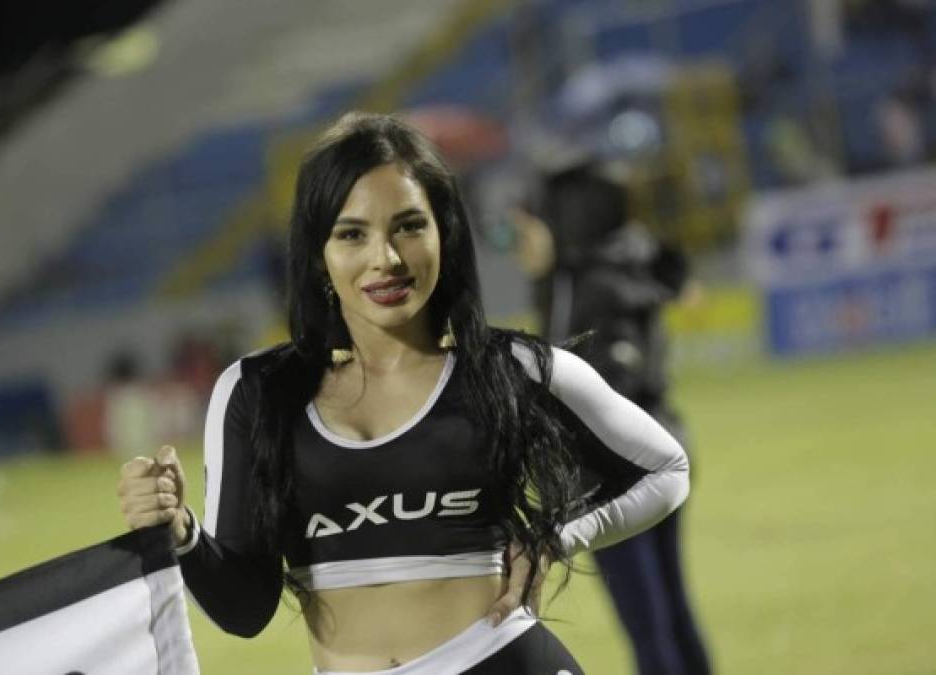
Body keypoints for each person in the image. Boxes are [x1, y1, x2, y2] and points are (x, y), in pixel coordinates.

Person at [116, 111, 690, 674]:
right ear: (319, 253)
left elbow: (667, 468)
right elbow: (244, 610)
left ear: (445, 233)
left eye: (409, 226)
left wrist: (556, 538)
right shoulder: (257, 395)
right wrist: (181, 531)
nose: (385, 260)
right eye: (352, 234)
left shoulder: (512, 369)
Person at [511, 159, 712, 675]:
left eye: (536, 224)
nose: (524, 239)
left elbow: (571, 387)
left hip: (612, 470)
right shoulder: (628, 262)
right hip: (666, 441)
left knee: (648, 626)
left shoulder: (580, 285)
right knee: (671, 610)